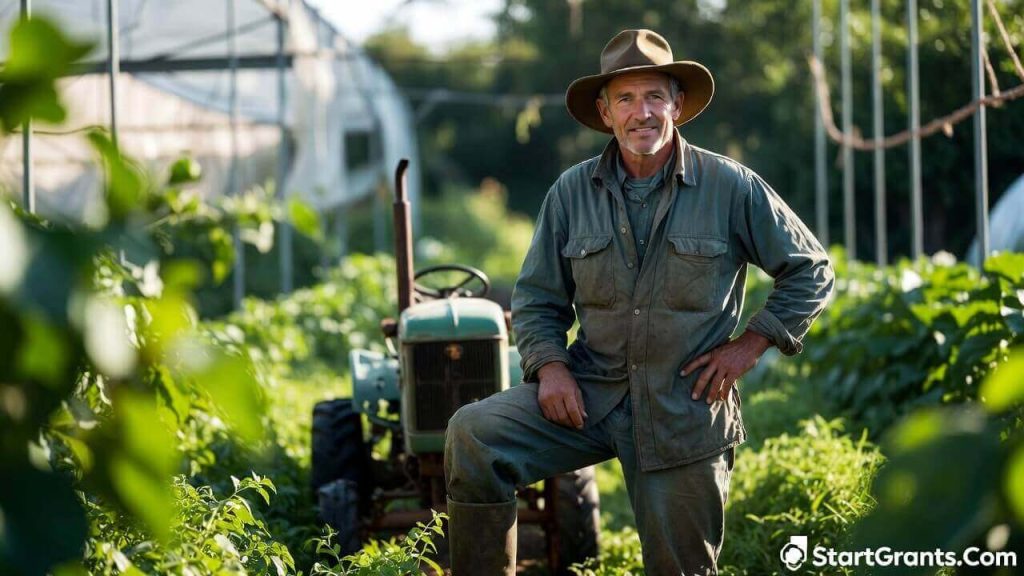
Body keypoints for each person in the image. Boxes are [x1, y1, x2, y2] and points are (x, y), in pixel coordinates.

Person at [444, 29, 834, 575]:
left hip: (684, 407)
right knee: (473, 434)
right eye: (625, 99)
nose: (641, 112)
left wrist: (748, 346)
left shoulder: (730, 186)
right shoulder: (571, 193)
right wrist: (550, 367)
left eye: (654, 96)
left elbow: (811, 269)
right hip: (589, 395)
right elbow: (536, 297)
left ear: (677, 104)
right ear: (605, 113)